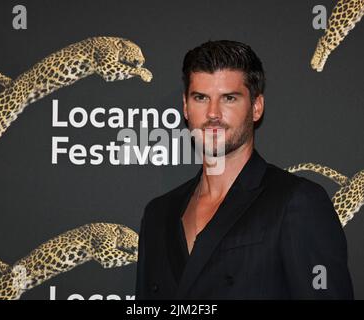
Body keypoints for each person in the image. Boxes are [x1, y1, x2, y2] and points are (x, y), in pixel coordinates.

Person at [135, 40, 353, 299]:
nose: (213, 113)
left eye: (229, 98)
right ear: (185, 106)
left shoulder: (296, 202)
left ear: (256, 107)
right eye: (201, 98)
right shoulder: (157, 215)